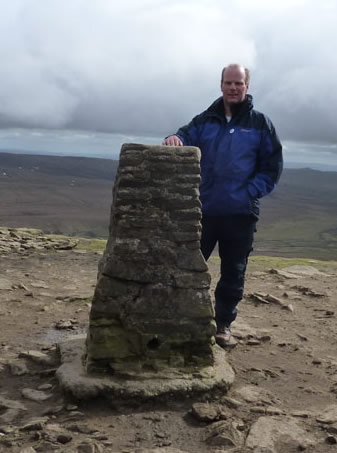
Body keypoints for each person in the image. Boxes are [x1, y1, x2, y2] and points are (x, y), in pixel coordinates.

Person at [163, 64, 283, 347]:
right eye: (228, 83)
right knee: (188, 267)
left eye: (238, 83)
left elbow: (272, 166)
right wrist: (175, 138)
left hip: (240, 214)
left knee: (233, 272)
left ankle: (223, 325)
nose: (233, 87)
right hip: (202, 211)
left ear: (247, 86)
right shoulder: (205, 119)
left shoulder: (260, 124)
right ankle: (182, 319)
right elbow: (183, 135)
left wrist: (250, 193)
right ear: (221, 85)